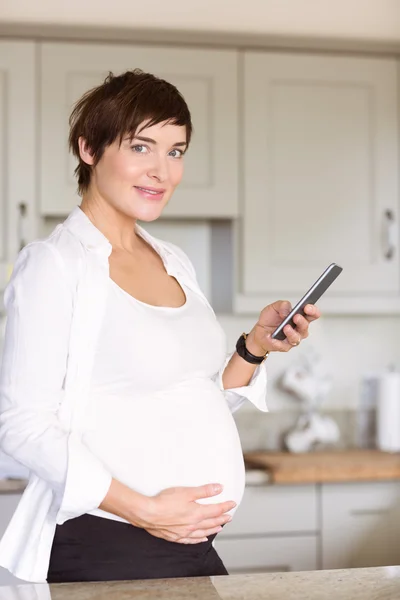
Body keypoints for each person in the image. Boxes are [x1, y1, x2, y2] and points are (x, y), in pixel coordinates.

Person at [0, 70, 320, 584]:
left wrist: (254, 348)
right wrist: (146, 510)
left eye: (176, 151)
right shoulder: (55, 265)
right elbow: (22, 425)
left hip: (188, 546)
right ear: (89, 149)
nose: (162, 170)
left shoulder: (171, 259)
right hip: (110, 546)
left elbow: (186, 396)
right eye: (142, 146)